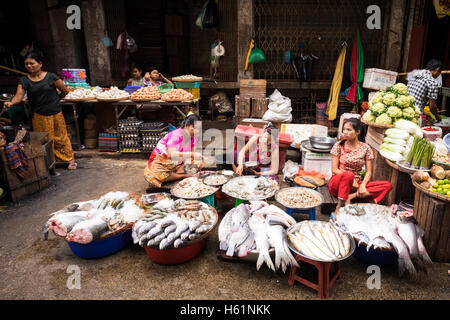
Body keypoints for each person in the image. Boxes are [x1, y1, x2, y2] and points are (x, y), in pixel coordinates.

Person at [3, 50, 77, 170]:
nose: (29, 66)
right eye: (27, 64)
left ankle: (69, 159)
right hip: (39, 115)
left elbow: (64, 91)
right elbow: (19, 96)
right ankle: (50, 162)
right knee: (45, 139)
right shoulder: (24, 80)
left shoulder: (51, 77)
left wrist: (56, 100)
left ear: (40, 64)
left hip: (55, 113)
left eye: (32, 63)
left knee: (61, 137)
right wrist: (11, 102)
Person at [329, 118, 392, 219]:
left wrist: (362, 185)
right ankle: (339, 206)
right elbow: (334, 170)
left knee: (387, 185)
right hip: (338, 182)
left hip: (355, 185)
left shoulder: (366, 148)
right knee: (349, 175)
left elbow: (368, 172)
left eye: (349, 130)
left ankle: (353, 196)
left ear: (358, 132)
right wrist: (351, 178)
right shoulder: (339, 145)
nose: (345, 132)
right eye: (344, 129)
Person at [144, 114, 203, 188]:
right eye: (195, 128)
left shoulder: (194, 137)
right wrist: (191, 155)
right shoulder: (175, 135)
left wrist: (188, 163)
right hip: (163, 163)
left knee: (198, 162)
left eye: (199, 129)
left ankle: (175, 174)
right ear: (186, 125)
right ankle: (183, 176)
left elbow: (189, 157)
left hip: (177, 164)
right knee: (150, 174)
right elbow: (171, 155)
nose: (197, 131)